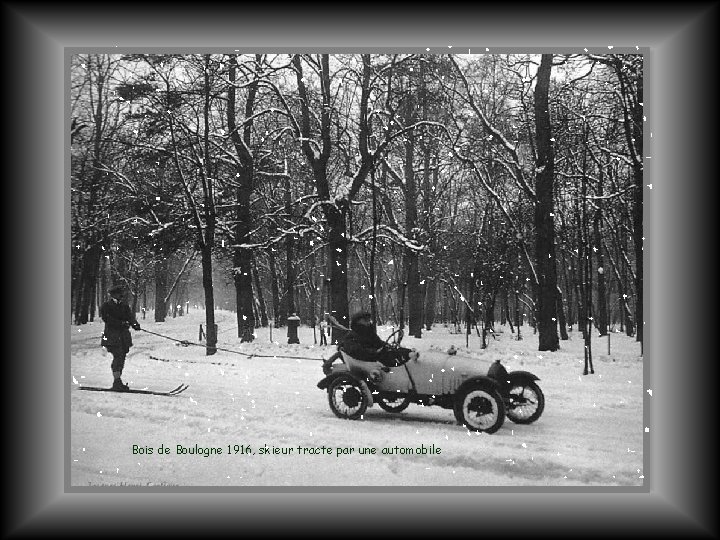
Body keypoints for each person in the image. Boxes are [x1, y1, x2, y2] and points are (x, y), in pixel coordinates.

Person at [100, 285, 141, 391]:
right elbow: (107, 319)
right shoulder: (106, 306)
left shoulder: (124, 306)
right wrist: (121, 323)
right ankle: (117, 381)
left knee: (122, 358)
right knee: (118, 357)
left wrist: (135, 324)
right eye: (119, 293)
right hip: (112, 337)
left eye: (121, 293)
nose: (121, 295)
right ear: (113, 294)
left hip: (123, 337)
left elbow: (130, 317)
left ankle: (117, 381)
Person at [338, 311, 411, 368]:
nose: (368, 322)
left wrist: (386, 346)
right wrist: (374, 352)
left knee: (402, 352)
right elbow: (356, 351)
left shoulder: (368, 332)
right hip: (369, 362)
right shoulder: (352, 335)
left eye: (368, 320)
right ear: (357, 322)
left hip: (376, 357)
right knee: (397, 357)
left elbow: (378, 342)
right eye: (365, 320)